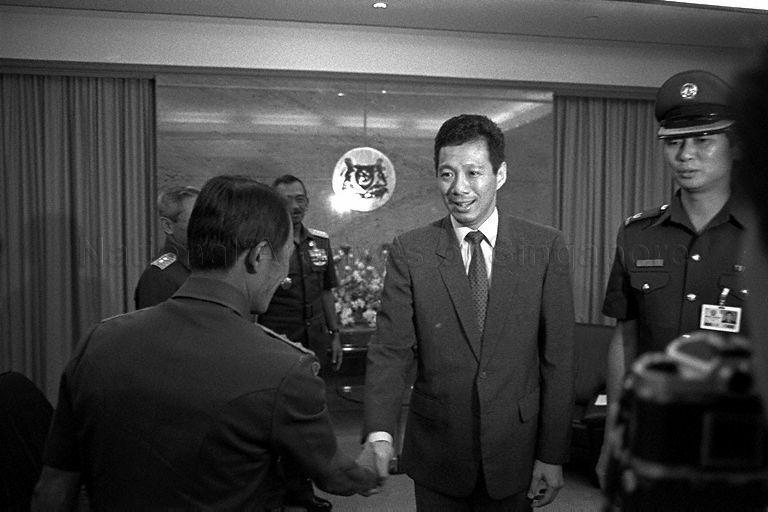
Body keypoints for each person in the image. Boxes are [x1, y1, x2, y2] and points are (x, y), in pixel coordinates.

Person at [32, 175, 378, 510]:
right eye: (285, 256)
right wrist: (374, 465)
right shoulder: (285, 368)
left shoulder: (97, 342)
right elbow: (336, 476)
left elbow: (53, 488)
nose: (286, 273)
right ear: (258, 256)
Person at [360, 114, 575, 510]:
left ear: (500, 174)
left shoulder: (544, 248)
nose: (459, 188)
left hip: (516, 450)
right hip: (438, 454)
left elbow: (558, 359)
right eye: (447, 174)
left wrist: (552, 453)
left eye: (473, 173)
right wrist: (380, 434)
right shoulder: (411, 250)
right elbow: (390, 350)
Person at [596, 70, 749, 487]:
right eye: (674, 142)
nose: (685, 155)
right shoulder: (637, 234)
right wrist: (612, 433)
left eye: (703, 140)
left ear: (735, 145)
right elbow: (625, 338)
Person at [257, 174, 343, 512]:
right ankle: (278, 490)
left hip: (314, 341)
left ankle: (301, 490)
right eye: (286, 199)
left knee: (310, 417)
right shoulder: (264, 244)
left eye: (300, 198)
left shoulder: (319, 242)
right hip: (278, 342)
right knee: (278, 419)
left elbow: (327, 292)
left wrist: (335, 334)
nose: (295, 206)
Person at [134, 185, 199, 309]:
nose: (206, 225)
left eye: (208, 217)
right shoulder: (158, 277)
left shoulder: (212, 264)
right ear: (168, 226)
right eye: (195, 220)